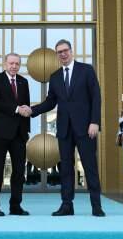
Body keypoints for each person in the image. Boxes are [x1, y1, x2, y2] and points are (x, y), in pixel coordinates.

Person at [27, 39, 104, 217]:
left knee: (90, 167)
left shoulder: (86, 70)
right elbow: (50, 102)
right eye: (59, 52)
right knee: (66, 169)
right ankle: (67, 205)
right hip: (64, 130)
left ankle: (96, 206)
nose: (63, 54)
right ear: (57, 55)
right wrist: (32, 110)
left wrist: (95, 122)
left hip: (86, 128)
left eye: (65, 50)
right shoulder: (54, 77)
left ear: (71, 51)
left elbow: (96, 97)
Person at [0, 52, 30, 216]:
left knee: (19, 172)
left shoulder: (23, 82)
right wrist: (17, 109)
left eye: (17, 64)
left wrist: (26, 130)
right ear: (5, 64)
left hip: (19, 134)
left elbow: (26, 106)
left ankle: (15, 206)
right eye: (11, 63)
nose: (14, 66)